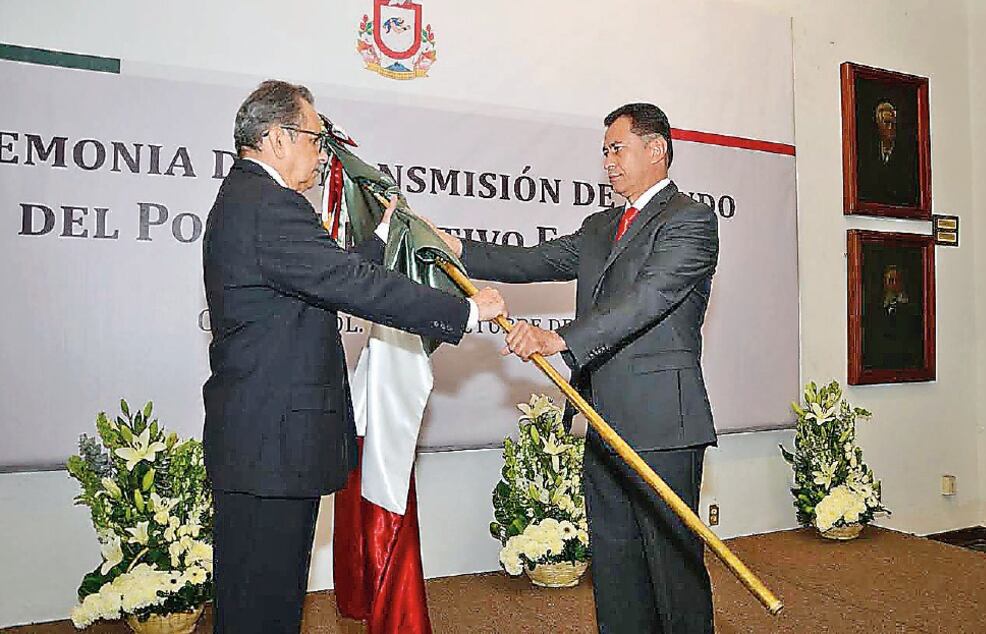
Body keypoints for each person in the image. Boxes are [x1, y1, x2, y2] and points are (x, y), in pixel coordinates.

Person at [201, 79, 505, 633]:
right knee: (261, 608)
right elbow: (353, 284)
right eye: (316, 139)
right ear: (276, 139)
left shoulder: (251, 200)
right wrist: (464, 311)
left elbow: (323, 276)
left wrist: (383, 235)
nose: (323, 155)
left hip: (263, 443)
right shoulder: (269, 206)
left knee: (261, 602)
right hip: (271, 445)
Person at [437, 103, 719, 633]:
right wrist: (453, 247)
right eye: (604, 152)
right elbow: (532, 260)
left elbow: (647, 298)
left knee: (672, 569)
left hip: (662, 422)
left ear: (656, 149)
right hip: (601, 414)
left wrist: (562, 340)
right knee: (615, 563)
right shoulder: (600, 226)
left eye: (617, 149)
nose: (608, 162)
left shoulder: (690, 220)